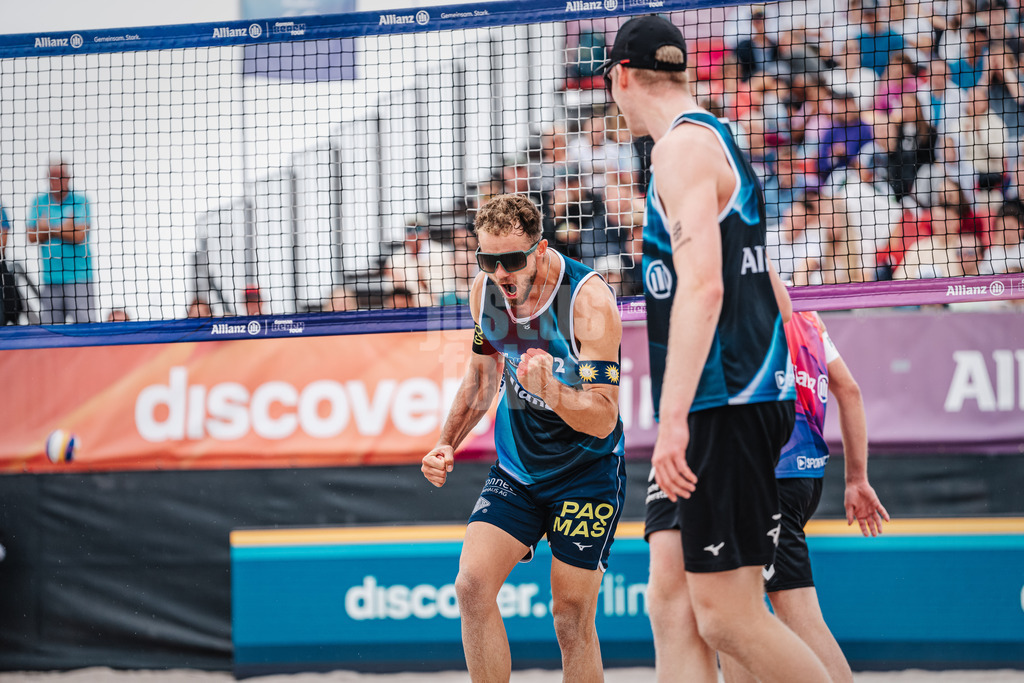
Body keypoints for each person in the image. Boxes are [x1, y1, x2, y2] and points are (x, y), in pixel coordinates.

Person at [603, 15, 829, 682]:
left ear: (620, 78)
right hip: (732, 392)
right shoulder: (709, 140)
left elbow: (703, 289)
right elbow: (764, 283)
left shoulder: (680, 150)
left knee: (727, 616)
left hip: (721, 400)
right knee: (669, 599)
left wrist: (671, 420)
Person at [421, 193, 626, 682]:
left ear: (538, 249)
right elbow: (480, 379)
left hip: (586, 473)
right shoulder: (486, 292)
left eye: (511, 260)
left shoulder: (589, 300)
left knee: (571, 617)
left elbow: (604, 418)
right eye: (486, 260)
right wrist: (446, 441)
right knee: (471, 586)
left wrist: (552, 392)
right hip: (518, 470)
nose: (499, 273)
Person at [720, 310, 890, 683]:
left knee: (795, 614)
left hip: (769, 477)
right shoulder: (809, 316)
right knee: (731, 610)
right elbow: (850, 390)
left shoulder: (744, 300)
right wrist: (856, 478)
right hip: (803, 477)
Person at [26, 159, 95, 324]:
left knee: (85, 327)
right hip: (50, 278)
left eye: (61, 176)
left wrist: (47, 228)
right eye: (53, 176)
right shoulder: (39, 201)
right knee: (51, 332)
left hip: (79, 278)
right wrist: (65, 228)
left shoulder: (81, 200)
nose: (57, 181)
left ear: (69, 178)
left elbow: (79, 236)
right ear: (47, 178)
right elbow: (32, 236)